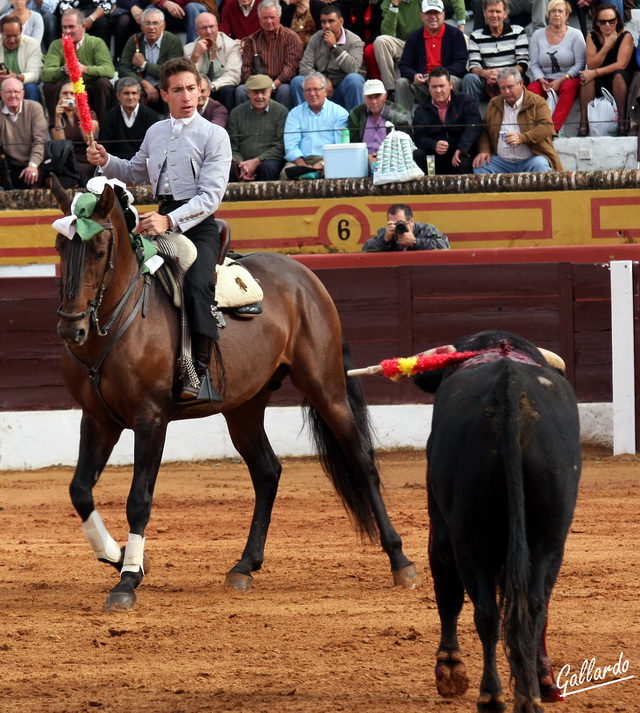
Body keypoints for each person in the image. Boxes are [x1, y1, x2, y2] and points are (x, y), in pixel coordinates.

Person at [86, 57, 232, 404]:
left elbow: (210, 197)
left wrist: (171, 221)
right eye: (177, 90)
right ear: (164, 94)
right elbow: (134, 172)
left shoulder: (215, 135)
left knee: (196, 282)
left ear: (201, 90)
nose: (186, 96)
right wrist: (106, 160)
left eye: (192, 89)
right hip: (156, 222)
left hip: (196, 227)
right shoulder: (155, 132)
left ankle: (200, 370)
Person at [473, 66, 562, 174]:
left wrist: (522, 138)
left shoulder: (537, 101)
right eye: (502, 88)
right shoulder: (494, 103)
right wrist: (484, 150)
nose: (506, 91)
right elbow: (485, 130)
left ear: (520, 83)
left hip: (531, 160)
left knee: (540, 164)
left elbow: (547, 127)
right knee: (480, 165)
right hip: (502, 162)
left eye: (510, 87)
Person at [42, 8, 114, 122]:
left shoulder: (96, 43)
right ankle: (55, 127)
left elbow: (109, 70)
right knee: (49, 87)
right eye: (64, 27)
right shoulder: (56, 45)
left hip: (90, 89)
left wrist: (85, 69)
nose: (67, 31)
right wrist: (63, 70)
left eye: (71, 26)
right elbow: (46, 73)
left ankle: (102, 127)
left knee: (103, 83)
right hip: (66, 91)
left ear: (83, 27)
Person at [395, 0, 469, 112]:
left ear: (443, 15)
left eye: (436, 13)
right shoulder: (414, 37)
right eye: (429, 13)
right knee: (402, 83)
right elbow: (404, 65)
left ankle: (452, 119)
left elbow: (461, 63)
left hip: (448, 79)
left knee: (452, 80)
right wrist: (414, 76)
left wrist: (439, 76)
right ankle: (403, 125)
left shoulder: (455, 35)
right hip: (423, 83)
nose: (433, 17)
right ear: (422, 16)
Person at [290, 5, 365, 112]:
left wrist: (335, 47)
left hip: (342, 86)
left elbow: (354, 68)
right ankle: (307, 123)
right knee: (297, 81)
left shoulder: (354, 40)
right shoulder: (316, 38)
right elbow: (304, 67)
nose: (327, 26)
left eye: (331, 21)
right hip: (319, 88)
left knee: (355, 80)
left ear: (341, 21)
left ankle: (355, 125)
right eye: (323, 22)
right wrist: (322, 81)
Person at [578, 3, 635, 136]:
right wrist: (607, 46)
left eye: (611, 21)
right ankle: (583, 124)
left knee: (618, 76)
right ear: (597, 23)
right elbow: (591, 64)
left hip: (622, 78)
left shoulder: (625, 36)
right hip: (600, 79)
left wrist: (594, 73)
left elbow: (621, 64)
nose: (608, 25)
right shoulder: (592, 37)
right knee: (586, 79)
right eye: (603, 22)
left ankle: (622, 124)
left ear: (617, 21)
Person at [528, 0, 585, 133]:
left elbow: (580, 64)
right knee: (531, 90)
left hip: (569, 78)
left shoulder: (575, 35)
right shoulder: (537, 35)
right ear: (548, 14)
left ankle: (553, 128)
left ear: (567, 15)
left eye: (560, 11)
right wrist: (541, 80)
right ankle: (532, 127)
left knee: (568, 87)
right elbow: (534, 65)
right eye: (553, 11)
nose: (557, 14)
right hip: (545, 79)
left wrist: (562, 79)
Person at [413, 66, 482, 175]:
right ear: (428, 88)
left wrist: (462, 148)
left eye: (441, 86)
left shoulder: (465, 101)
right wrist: (434, 145)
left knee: (464, 161)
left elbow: (474, 126)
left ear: (450, 85)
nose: (438, 90)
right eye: (434, 87)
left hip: (460, 153)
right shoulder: (421, 109)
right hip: (435, 155)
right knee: (418, 154)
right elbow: (418, 137)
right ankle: (427, 190)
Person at [236, 0, 303, 110]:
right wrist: (258, 87)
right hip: (258, 85)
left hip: (281, 83)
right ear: (259, 19)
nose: (269, 21)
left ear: (279, 17)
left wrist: (272, 85)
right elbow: (246, 70)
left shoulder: (291, 37)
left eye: (272, 17)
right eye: (265, 18)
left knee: (285, 90)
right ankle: (246, 124)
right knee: (241, 90)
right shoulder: (252, 40)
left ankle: (283, 124)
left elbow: (290, 68)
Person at [117, 6, 184, 116]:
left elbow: (171, 72)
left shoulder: (173, 41)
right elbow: (123, 69)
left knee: (174, 87)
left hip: (163, 86)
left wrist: (144, 65)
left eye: (155, 23)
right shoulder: (134, 40)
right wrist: (143, 83)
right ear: (142, 26)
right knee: (121, 86)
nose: (151, 27)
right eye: (147, 23)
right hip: (141, 86)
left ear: (163, 26)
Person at [282, 71, 348, 178]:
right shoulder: (294, 113)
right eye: (308, 90)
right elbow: (291, 146)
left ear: (325, 91)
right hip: (300, 160)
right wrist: (302, 166)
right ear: (303, 93)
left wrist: (322, 163)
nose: (312, 93)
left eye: (316, 89)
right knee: (285, 174)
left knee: (337, 176)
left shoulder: (340, 113)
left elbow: (340, 147)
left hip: (329, 159)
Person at [462, 0, 529, 104]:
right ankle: (472, 117)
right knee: (469, 79)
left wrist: (504, 75)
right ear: (484, 13)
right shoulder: (476, 36)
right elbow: (473, 66)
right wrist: (484, 73)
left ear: (505, 13)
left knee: (519, 80)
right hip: (488, 79)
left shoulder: (518, 32)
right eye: (491, 11)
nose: (494, 15)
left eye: (498, 11)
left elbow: (523, 64)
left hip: (512, 77)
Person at [227, 72, 288, 181]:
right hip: (242, 162)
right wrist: (242, 164)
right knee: (227, 168)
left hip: (268, 159)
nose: (260, 97)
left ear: (270, 91)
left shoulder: (281, 112)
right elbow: (232, 146)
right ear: (248, 93)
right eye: (255, 92)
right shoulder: (236, 113)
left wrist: (257, 161)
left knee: (268, 167)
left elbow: (280, 146)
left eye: (263, 92)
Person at [348, 78, 411, 171]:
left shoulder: (399, 112)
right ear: (364, 98)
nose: (374, 102)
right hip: (363, 162)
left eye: (377, 96)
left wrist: (383, 157)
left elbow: (405, 145)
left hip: (392, 162)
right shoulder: (356, 114)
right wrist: (365, 156)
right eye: (370, 97)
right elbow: (353, 144)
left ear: (385, 96)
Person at [183, 12, 240, 112]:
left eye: (211, 26)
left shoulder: (231, 46)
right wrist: (195, 56)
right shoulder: (188, 49)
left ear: (217, 27)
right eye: (204, 28)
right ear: (197, 31)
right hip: (199, 89)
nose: (209, 31)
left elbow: (233, 75)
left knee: (227, 90)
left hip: (220, 87)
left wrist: (212, 86)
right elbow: (188, 78)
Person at [367, 0, 422, 96]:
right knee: (381, 41)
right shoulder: (388, 2)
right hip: (403, 43)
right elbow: (388, 32)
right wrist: (394, 5)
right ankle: (390, 89)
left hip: (422, 42)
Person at [0, 76, 47, 188]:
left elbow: (40, 141)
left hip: (33, 162)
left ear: (23, 94)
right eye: (8, 92)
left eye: (16, 91)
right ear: (1, 94)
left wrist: (33, 165)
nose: (13, 95)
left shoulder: (34, 108)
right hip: (7, 164)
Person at [50, 80, 98, 185]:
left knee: (83, 170)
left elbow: (88, 139)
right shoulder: (55, 117)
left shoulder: (90, 114)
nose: (68, 96)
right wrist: (58, 118)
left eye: (72, 93)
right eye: (64, 93)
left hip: (86, 157)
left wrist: (81, 114)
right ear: (59, 96)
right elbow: (60, 145)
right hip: (66, 159)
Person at [99, 76, 160, 159]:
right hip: (116, 165)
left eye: (134, 93)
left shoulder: (150, 116)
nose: (130, 97)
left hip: (143, 165)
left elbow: (155, 148)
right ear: (118, 95)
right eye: (126, 93)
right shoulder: (109, 117)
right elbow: (105, 147)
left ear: (139, 95)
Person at [362, 203, 450, 252]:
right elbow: (365, 250)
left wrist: (415, 242)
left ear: (411, 221)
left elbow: (445, 247)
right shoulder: (386, 233)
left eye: (401, 223)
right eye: (393, 224)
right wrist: (384, 240)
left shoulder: (426, 230)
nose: (398, 227)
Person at [0, 15, 42, 103]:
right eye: (8, 36)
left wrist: (17, 77)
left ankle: (34, 116)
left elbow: (36, 74)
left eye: (16, 36)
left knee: (31, 87)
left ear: (21, 32)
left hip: (22, 87)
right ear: (1, 33)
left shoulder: (32, 44)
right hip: (1, 88)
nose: (12, 40)